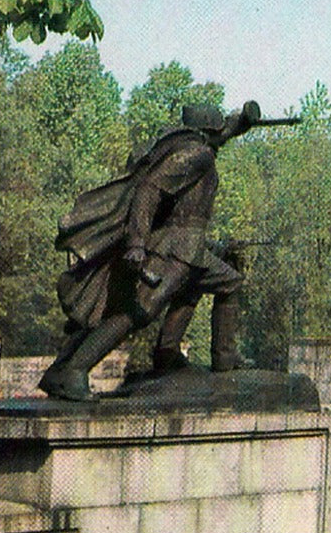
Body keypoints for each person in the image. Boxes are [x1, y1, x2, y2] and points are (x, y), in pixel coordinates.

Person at [40, 100, 292, 401]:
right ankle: (74, 370)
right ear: (208, 130)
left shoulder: (192, 147)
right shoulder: (197, 154)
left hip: (187, 247)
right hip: (174, 248)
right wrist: (136, 242)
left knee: (222, 283)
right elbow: (149, 189)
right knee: (139, 310)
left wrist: (242, 123)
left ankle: (177, 354)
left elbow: (224, 132)